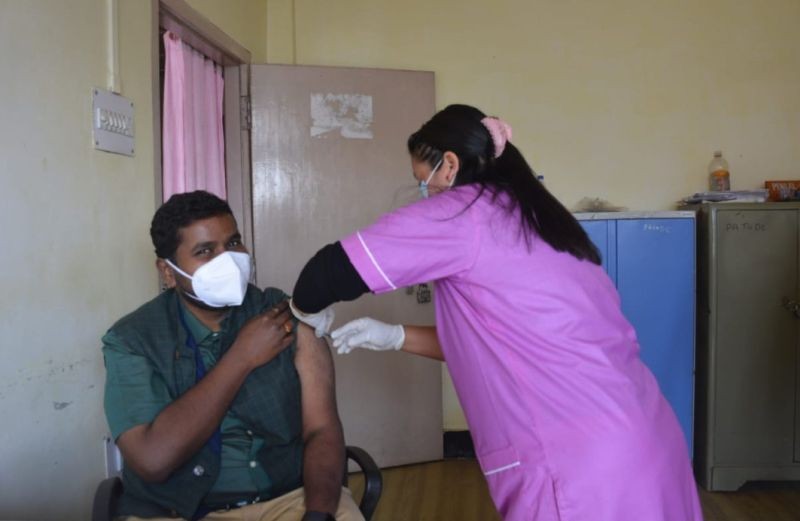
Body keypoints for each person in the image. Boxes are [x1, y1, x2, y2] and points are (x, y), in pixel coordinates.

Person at [288, 105, 703, 520]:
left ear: (449, 165)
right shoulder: (539, 218)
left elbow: (328, 271)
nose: (425, 193)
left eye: (423, 182)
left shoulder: (463, 215)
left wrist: (304, 309)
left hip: (579, 464)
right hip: (645, 436)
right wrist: (394, 335)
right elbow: (503, 343)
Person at [102, 190, 361, 521]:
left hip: (290, 498)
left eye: (234, 243)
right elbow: (152, 460)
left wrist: (318, 515)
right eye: (205, 251)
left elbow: (322, 430)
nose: (228, 260)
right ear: (168, 273)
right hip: (176, 509)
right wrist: (242, 356)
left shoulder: (286, 315)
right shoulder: (132, 339)